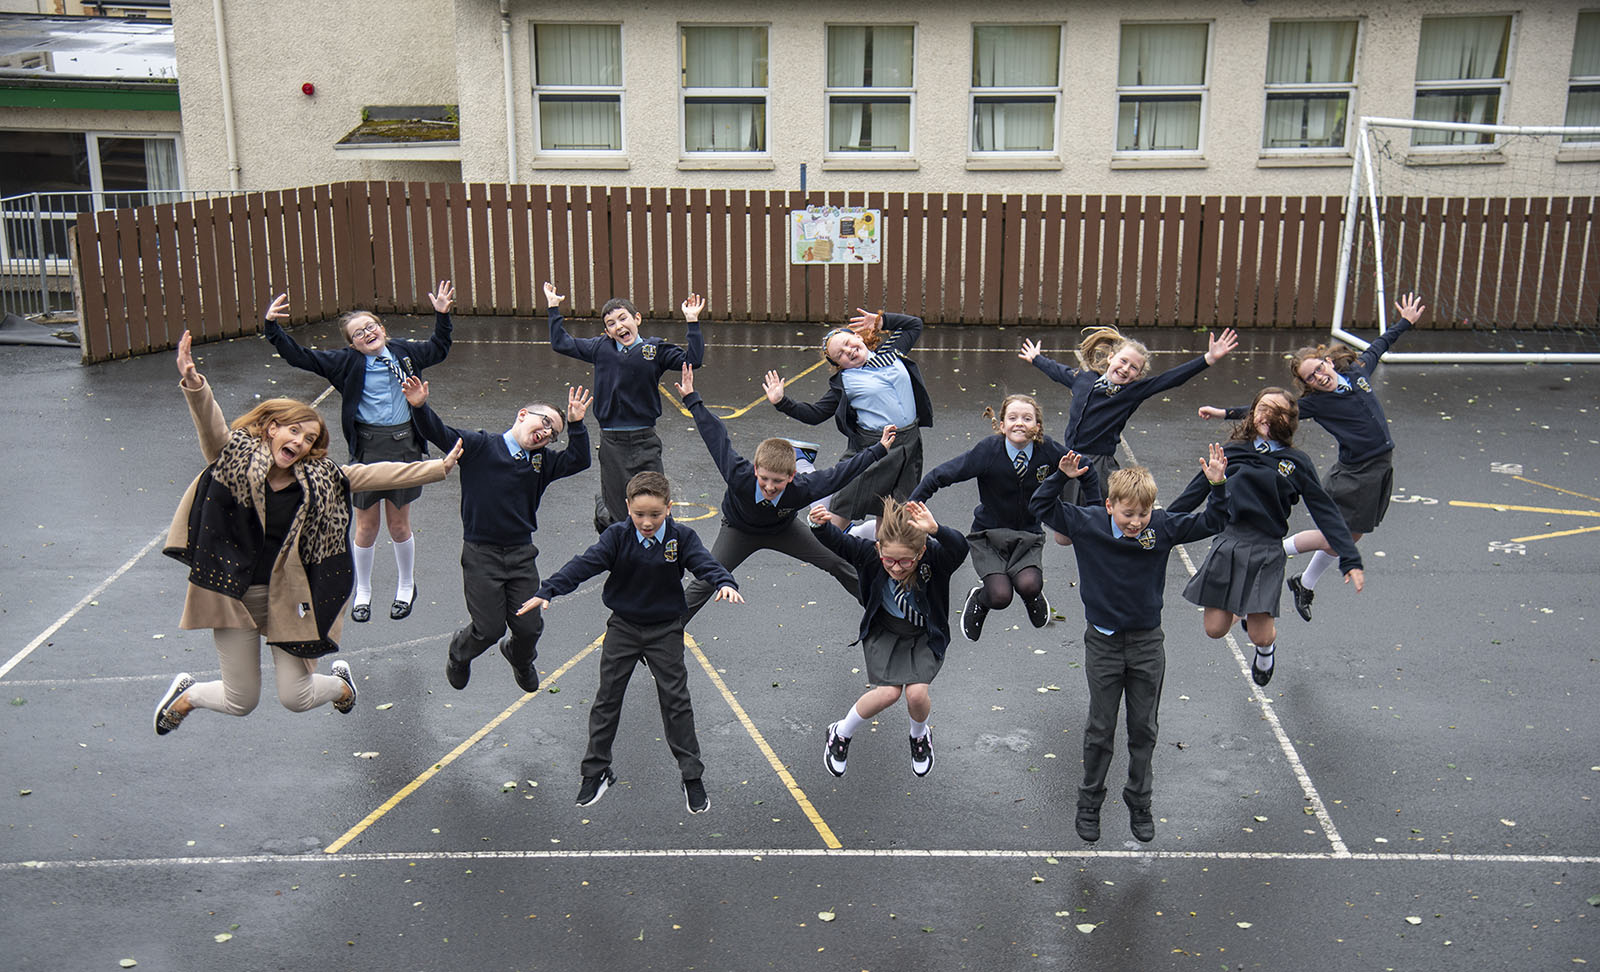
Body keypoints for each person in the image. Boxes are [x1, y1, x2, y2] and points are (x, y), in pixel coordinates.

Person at [153, 330, 462, 736]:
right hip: (231, 593)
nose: (300, 442)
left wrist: (437, 467)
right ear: (271, 428)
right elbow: (212, 428)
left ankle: (340, 686)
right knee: (240, 700)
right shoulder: (234, 460)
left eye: (310, 438)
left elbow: (372, 474)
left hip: (289, 595)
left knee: (294, 698)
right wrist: (195, 383)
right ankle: (189, 694)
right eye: (294, 432)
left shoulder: (320, 477)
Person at [1028, 447, 1230, 843]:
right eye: (1128, 515)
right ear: (1109, 506)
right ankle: (1089, 804)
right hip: (1102, 644)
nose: (1137, 522)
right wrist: (1063, 476)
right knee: (1100, 729)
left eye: (1143, 514)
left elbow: (1215, 519)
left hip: (1146, 644)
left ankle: (1140, 802)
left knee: (1144, 729)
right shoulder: (1087, 523)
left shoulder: (1162, 527)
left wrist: (1218, 485)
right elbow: (1040, 504)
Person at [516, 472, 742, 814]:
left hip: (665, 629)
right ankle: (595, 772)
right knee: (607, 698)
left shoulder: (681, 537)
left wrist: (724, 581)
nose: (647, 522)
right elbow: (583, 565)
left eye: (655, 514)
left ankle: (691, 776)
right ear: (627, 508)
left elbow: (705, 563)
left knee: (676, 701)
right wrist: (549, 589)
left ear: (669, 507)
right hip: (623, 626)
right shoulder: (617, 537)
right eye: (639, 515)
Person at [1197, 293, 1423, 623]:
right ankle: (1274, 553)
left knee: (1353, 534)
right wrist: (1223, 413)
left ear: (1328, 362)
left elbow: (1380, 345)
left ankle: (1303, 583)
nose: (1318, 377)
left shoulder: (1359, 371)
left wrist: (1405, 322)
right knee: (1341, 535)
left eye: (1318, 369)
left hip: (1378, 468)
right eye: (1310, 378)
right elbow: (1270, 410)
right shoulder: (1316, 404)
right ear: (1307, 385)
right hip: (1356, 473)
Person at [262, 284, 455, 623]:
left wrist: (442, 314)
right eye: (358, 333)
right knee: (365, 525)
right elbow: (300, 357)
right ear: (351, 343)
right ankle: (362, 590)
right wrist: (273, 329)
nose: (367, 333)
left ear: (383, 328)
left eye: (371, 327)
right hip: (367, 446)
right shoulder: (346, 362)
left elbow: (439, 348)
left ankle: (406, 585)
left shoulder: (404, 353)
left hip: (404, 445)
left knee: (398, 522)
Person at [402, 375, 592, 694]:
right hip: (481, 554)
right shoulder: (480, 446)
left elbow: (580, 460)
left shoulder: (541, 462)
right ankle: (458, 654)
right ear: (522, 414)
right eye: (545, 422)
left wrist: (576, 425)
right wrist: (420, 407)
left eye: (553, 433)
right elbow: (440, 434)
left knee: (529, 627)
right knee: (488, 629)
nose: (547, 432)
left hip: (520, 554)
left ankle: (518, 658)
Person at [1169, 388, 1363, 688]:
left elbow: (1326, 512)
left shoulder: (1297, 462)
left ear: (1290, 420)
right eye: (1262, 408)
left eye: (1279, 411)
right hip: (1229, 543)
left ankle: (1266, 650)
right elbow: (1192, 495)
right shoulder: (1231, 451)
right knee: (1214, 629)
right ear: (1252, 413)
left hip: (1267, 549)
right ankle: (1245, 609)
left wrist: (1350, 558)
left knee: (1260, 633)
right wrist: (1158, 528)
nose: (1268, 415)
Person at [673, 364, 894, 620]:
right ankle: (665, 632)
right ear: (755, 470)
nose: (769, 486)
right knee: (706, 579)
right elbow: (715, 437)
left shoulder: (802, 488)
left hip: (783, 530)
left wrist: (878, 449)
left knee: (837, 562)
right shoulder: (739, 475)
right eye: (764, 478)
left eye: (777, 481)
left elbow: (841, 473)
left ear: (792, 477)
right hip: (738, 530)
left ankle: (885, 614)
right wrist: (692, 399)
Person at [808, 498, 969, 780]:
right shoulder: (870, 555)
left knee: (917, 693)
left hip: (923, 633)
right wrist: (818, 526)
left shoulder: (935, 558)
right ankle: (840, 733)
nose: (896, 568)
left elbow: (959, 548)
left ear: (920, 552)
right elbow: (838, 543)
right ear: (879, 548)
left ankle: (919, 738)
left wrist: (936, 530)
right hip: (885, 631)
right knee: (888, 693)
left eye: (905, 561)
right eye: (890, 560)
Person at [1018, 325, 1238, 517]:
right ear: (1111, 357)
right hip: (1070, 458)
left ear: (1138, 375)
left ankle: (1109, 550)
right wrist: (1036, 359)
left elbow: (1170, 379)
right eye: (1123, 361)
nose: (1125, 369)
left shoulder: (1131, 392)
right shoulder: (1084, 380)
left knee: (1099, 519)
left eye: (1133, 368)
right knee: (1063, 537)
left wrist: (1208, 359)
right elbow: (1057, 371)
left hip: (1099, 464)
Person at [545, 282, 705, 533]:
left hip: (645, 439)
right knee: (619, 512)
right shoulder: (600, 348)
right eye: (611, 324)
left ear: (637, 318)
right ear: (607, 332)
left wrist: (692, 322)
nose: (619, 326)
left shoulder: (654, 349)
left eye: (623, 318)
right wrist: (554, 308)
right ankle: (608, 520)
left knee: (654, 500)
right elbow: (561, 343)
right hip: (612, 441)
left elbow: (693, 360)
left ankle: (663, 556)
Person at [910, 393, 1069, 641]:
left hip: (1028, 534)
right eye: (1013, 417)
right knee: (1000, 596)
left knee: (1029, 584)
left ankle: (1032, 597)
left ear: (1037, 426)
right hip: (988, 535)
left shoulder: (1046, 450)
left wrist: (1094, 510)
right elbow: (943, 474)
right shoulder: (988, 451)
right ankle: (979, 600)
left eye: (1027, 418)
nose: (1020, 423)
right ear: (1002, 424)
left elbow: (1082, 469)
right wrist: (913, 503)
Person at [764, 308, 932, 530]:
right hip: (876, 446)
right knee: (841, 510)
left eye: (848, 343)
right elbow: (815, 414)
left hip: (909, 443)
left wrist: (881, 321)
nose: (848, 351)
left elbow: (914, 325)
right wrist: (781, 402)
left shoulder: (891, 351)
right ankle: (804, 469)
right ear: (838, 364)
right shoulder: (846, 381)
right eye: (840, 354)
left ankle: (880, 561)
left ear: (858, 337)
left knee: (894, 518)